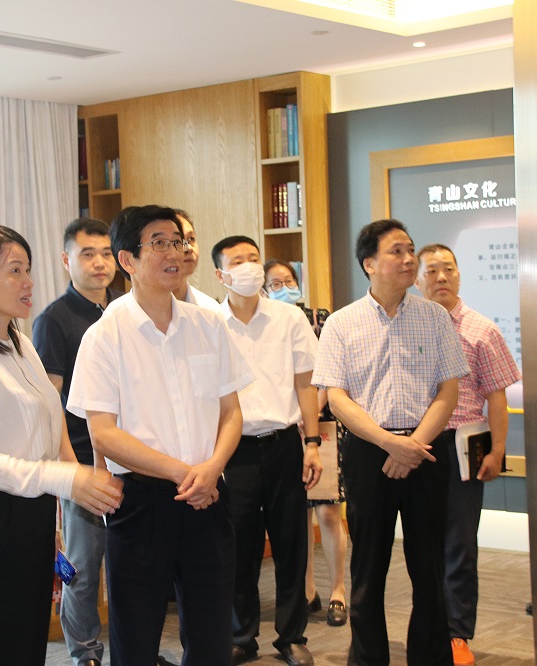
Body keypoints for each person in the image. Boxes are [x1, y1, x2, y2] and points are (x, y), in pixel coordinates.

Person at [68, 205, 253, 665]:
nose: (175, 252)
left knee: (212, 639)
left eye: (178, 241)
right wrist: (182, 473)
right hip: (141, 503)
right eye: (159, 244)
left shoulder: (208, 324)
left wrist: (212, 469)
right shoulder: (104, 335)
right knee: (135, 639)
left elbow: (232, 412)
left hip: (209, 495)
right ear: (127, 260)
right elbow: (104, 435)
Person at [0, 223, 124, 666]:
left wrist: (76, 480)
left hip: (33, 515)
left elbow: (51, 420)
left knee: (29, 647)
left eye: (28, 270)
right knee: (4, 652)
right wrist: (65, 478)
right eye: (15, 271)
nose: (28, 282)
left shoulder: (18, 342)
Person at [313, 219, 468, 666]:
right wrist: (388, 443)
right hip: (368, 453)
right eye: (396, 251)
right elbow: (336, 398)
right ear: (369, 263)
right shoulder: (342, 323)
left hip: (425, 450)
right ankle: (368, 659)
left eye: (410, 250)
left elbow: (448, 391)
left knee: (429, 567)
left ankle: (430, 658)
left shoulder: (435, 317)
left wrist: (412, 444)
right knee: (368, 568)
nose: (408, 259)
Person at [213, 235, 322, 666]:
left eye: (253, 258)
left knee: (291, 542)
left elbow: (305, 383)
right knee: (239, 546)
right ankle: (242, 635)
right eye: (237, 261)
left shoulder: (288, 317)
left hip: (283, 445)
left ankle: (292, 636)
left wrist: (312, 443)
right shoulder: (209, 322)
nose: (249, 267)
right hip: (233, 451)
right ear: (221, 274)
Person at [416, 244, 521, 666]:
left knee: (460, 543)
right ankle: (428, 629)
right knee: (423, 544)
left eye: (448, 269)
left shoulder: (482, 329)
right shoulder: (410, 326)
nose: (441, 277)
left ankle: (457, 633)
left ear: (459, 275)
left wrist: (497, 451)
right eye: (431, 271)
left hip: (464, 443)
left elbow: (497, 397)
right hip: (416, 445)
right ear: (417, 279)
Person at [31, 217, 122, 666]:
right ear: (67, 261)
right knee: (83, 568)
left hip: (131, 458)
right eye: (88, 254)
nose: (99, 262)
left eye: (106, 253)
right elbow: (51, 404)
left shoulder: (126, 309)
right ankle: (84, 652)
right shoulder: (53, 320)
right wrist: (70, 470)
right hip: (83, 462)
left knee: (129, 565)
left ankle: (130, 648)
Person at [264, 260, 349, 626]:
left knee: (327, 512)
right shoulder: (264, 325)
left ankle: (338, 591)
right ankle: (307, 590)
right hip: (284, 431)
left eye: (288, 280)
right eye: (275, 283)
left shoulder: (320, 318)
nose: (284, 287)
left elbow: (330, 373)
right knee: (296, 518)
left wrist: (309, 414)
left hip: (320, 427)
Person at [172, 209, 221, 312]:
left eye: (191, 239)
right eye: (177, 241)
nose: (188, 248)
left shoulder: (210, 310)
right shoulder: (136, 310)